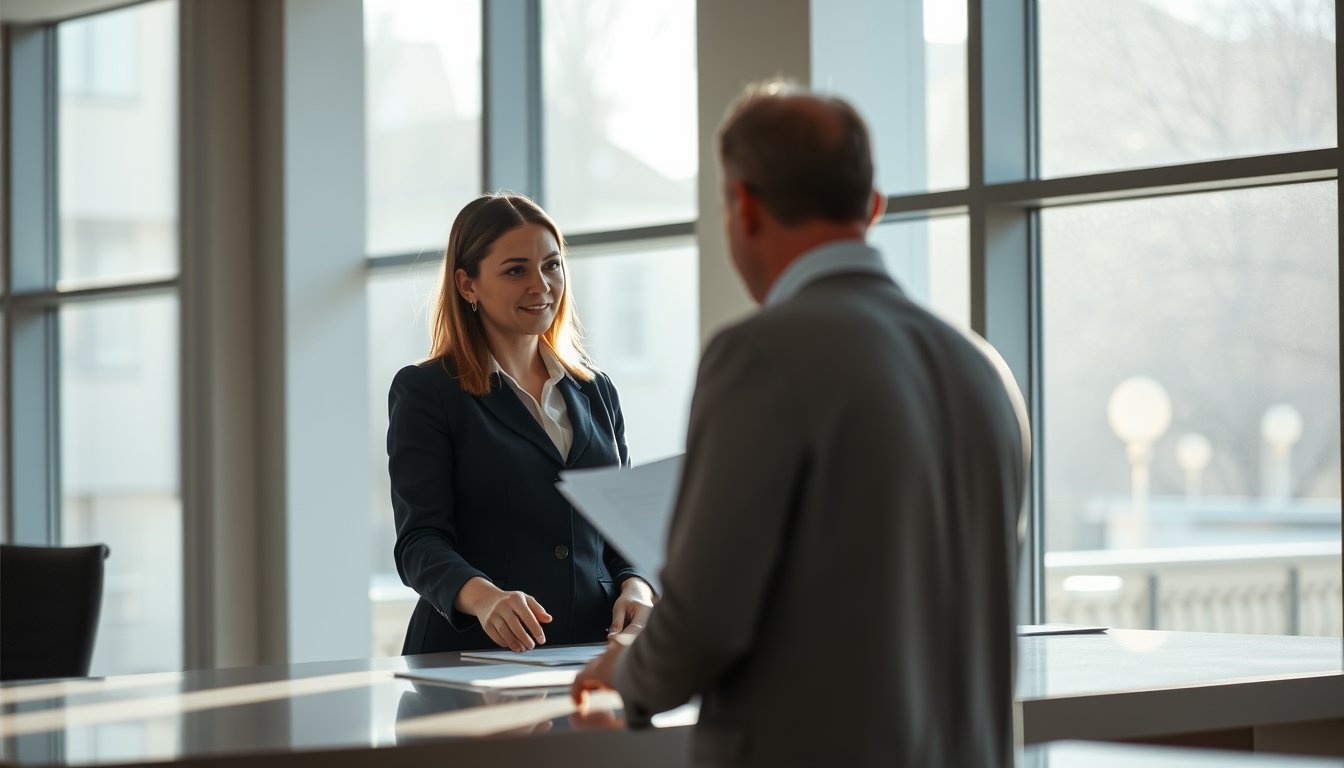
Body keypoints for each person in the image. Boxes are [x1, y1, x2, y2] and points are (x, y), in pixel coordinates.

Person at [572, 84, 1030, 767]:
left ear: (744, 208)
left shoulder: (757, 355)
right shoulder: (984, 369)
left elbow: (706, 615)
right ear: (872, 208)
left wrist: (628, 678)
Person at [388, 194, 655, 655]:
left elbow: (623, 529)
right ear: (467, 284)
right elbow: (419, 542)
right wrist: (485, 598)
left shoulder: (596, 390)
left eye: (552, 266)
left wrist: (638, 586)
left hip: (593, 653)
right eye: (516, 270)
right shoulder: (426, 391)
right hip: (470, 656)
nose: (542, 285)